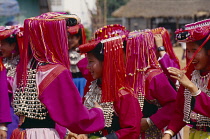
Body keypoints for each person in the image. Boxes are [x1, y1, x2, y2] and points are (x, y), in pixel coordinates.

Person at [10, 12, 105, 139]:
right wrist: (98, 113)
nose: (65, 39)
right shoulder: (54, 71)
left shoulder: (23, 68)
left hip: (21, 133)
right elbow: (73, 116)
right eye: (63, 34)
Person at [76, 34, 142, 139]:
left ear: (105, 63)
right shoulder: (92, 88)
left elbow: (132, 130)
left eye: (91, 62)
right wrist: (83, 134)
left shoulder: (124, 95)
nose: (87, 67)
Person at [162, 19, 210, 139]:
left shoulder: (189, 82)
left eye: (194, 51)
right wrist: (169, 133)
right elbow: (180, 111)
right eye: (187, 51)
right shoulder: (191, 76)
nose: (189, 56)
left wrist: (193, 88)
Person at [126, 30, 177, 139]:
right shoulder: (128, 75)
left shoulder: (154, 76)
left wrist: (150, 121)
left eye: (131, 48)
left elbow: (175, 104)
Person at [0, 25, 23, 139]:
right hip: (5, 111)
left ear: (13, 44)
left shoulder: (24, 64)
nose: (0, 47)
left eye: (2, 43)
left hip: (20, 112)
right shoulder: (1, 64)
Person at [67, 23, 87, 96]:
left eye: (72, 38)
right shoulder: (66, 52)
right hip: (70, 81)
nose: (69, 40)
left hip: (82, 82)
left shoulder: (85, 53)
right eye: (68, 38)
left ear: (78, 38)